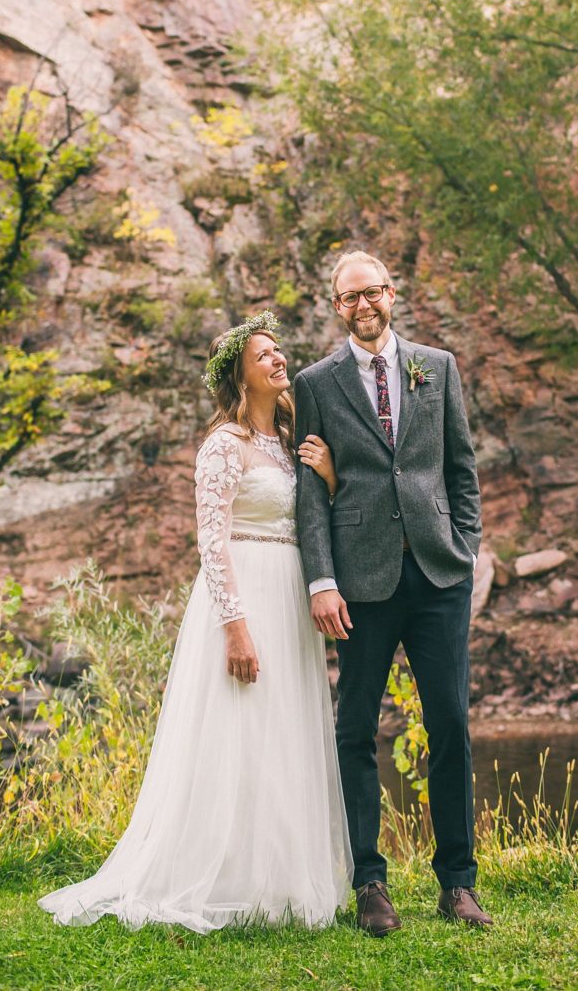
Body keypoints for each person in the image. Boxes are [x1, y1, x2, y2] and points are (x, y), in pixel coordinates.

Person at [39, 311, 352, 933]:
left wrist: (329, 476)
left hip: (289, 598)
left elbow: (319, 517)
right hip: (243, 598)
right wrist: (234, 626)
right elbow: (211, 542)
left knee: (283, 734)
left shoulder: (290, 445)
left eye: (278, 351)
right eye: (265, 356)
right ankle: (219, 875)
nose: (278, 360)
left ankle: (278, 879)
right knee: (236, 734)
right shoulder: (222, 445)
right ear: (241, 376)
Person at [294, 251, 492, 936]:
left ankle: (457, 883)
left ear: (391, 292)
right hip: (361, 582)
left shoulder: (437, 366)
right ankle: (370, 882)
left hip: (439, 574)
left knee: (452, 726)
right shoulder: (315, 383)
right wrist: (321, 579)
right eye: (350, 298)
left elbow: (460, 465)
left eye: (372, 292)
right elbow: (309, 496)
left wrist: (464, 546)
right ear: (336, 305)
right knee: (354, 730)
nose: (364, 305)